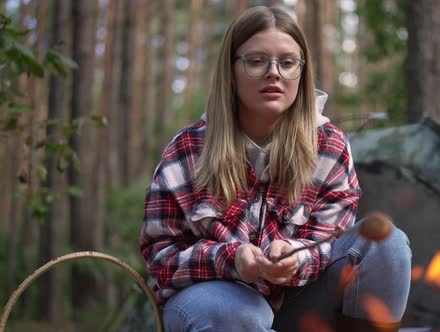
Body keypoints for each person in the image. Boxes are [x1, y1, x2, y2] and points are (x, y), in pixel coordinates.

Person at [140, 6, 411, 332]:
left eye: (287, 62)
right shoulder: (187, 151)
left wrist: (297, 259)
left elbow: (331, 239)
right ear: (231, 70)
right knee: (239, 313)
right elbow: (160, 259)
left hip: (304, 304)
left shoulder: (329, 146)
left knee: (386, 244)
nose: (274, 73)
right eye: (256, 62)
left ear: (301, 71)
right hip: (216, 306)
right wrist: (231, 259)